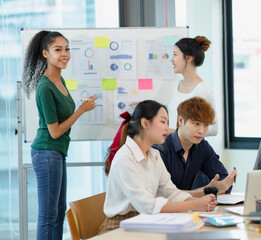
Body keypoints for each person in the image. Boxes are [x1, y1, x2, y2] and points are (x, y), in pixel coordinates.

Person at [99, 100, 217, 234]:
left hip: (146, 222)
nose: (167, 128)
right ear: (145, 123)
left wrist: (199, 201)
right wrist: (195, 204)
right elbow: (147, 206)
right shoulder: (125, 158)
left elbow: (170, 192)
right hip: (119, 228)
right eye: (162, 122)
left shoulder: (154, 154)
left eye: (167, 123)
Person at [23, 30, 96, 240]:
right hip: (46, 151)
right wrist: (81, 110)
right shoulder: (45, 86)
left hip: (56, 153)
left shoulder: (60, 81)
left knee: (58, 212)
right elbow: (54, 132)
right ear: (45, 54)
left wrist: (81, 108)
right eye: (58, 50)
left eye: (67, 49)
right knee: (48, 216)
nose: (64, 54)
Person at [154, 97, 237, 197]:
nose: (201, 131)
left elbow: (223, 182)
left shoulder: (202, 146)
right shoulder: (160, 149)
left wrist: (224, 184)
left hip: (186, 209)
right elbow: (162, 194)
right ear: (180, 120)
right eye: (196, 123)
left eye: (206, 125)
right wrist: (206, 191)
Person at [167, 36, 218, 136]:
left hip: (191, 149)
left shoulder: (203, 90)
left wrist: (177, 133)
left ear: (188, 58)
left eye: (175, 55)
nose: (171, 60)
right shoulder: (176, 85)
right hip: (172, 147)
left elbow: (214, 129)